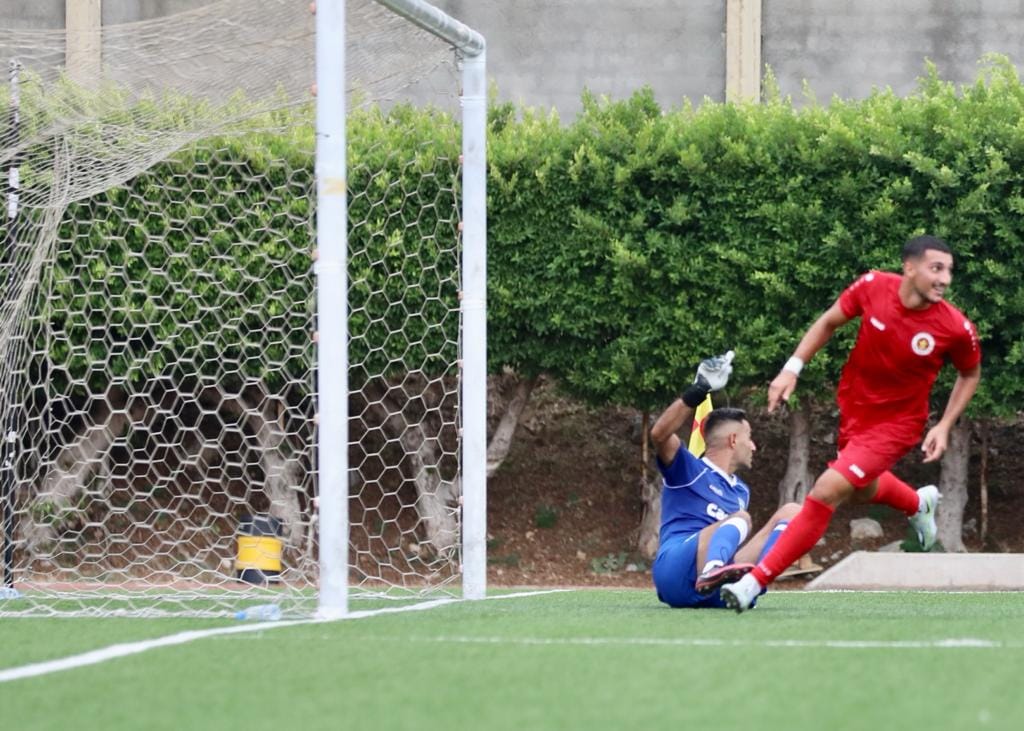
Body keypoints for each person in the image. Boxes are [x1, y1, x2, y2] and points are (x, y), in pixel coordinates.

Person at [721, 235, 982, 612]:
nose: (945, 279)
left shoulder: (954, 327)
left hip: (898, 424)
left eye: (949, 271)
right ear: (909, 268)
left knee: (827, 489)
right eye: (936, 268)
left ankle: (754, 582)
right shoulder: (873, 286)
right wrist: (792, 369)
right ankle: (916, 503)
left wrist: (943, 425)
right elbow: (829, 321)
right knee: (859, 490)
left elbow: (970, 374)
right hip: (857, 409)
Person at [650, 351, 800, 609]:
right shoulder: (689, 469)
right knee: (741, 518)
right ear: (733, 440)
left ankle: (752, 582)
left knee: (793, 512)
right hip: (674, 572)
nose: (753, 446)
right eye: (749, 437)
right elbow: (659, 435)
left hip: (712, 586)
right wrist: (699, 389)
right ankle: (713, 571)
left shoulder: (741, 491)